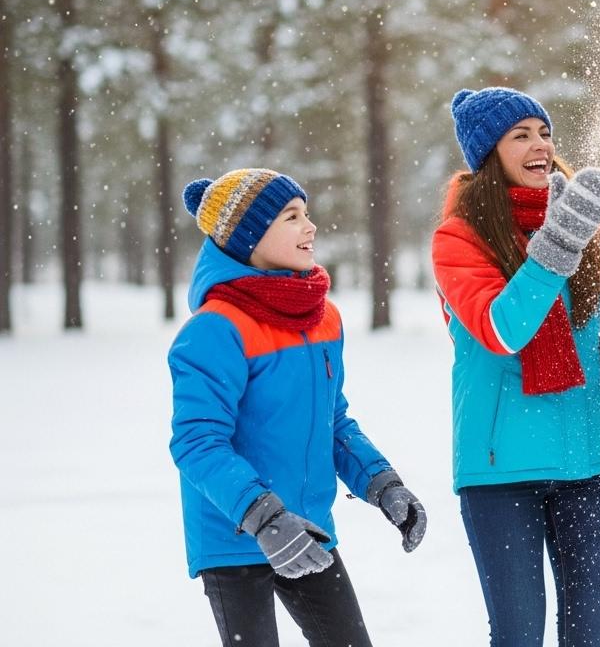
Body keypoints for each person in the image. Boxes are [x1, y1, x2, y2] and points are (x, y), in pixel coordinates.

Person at [432, 87, 600, 646]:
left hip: (589, 459)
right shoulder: (458, 238)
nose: (540, 145)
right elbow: (501, 328)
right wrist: (558, 243)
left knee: (590, 637)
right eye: (520, 135)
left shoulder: (584, 220)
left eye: (544, 132)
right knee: (518, 637)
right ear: (489, 154)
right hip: (502, 470)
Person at [169, 168, 427, 647]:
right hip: (234, 537)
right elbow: (197, 442)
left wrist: (383, 483)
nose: (309, 227)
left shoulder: (322, 317)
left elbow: (334, 422)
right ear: (249, 238)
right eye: (291, 217)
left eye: (306, 214)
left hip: (308, 529)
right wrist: (265, 517)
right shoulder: (214, 329)